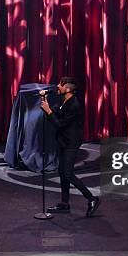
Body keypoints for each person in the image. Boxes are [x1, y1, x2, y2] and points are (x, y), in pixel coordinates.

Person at [40, 77, 100, 217]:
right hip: (63, 141)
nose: (57, 86)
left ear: (67, 89)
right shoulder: (63, 100)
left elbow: (59, 123)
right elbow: (56, 113)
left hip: (71, 143)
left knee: (68, 173)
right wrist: (46, 103)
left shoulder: (74, 104)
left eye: (60, 84)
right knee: (62, 172)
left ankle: (91, 198)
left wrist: (48, 111)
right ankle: (64, 204)